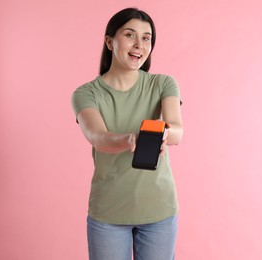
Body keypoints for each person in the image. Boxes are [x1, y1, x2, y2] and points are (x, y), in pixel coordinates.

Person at [71, 7, 183, 260]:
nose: (139, 45)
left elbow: (177, 130)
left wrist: (163, 134)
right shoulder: (86, 93)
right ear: (110, 41)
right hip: (108, 213)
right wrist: (130, 138)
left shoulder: (163, 83)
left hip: (159, 211)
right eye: (130, 35)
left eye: (147, 38)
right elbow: (97, 137)